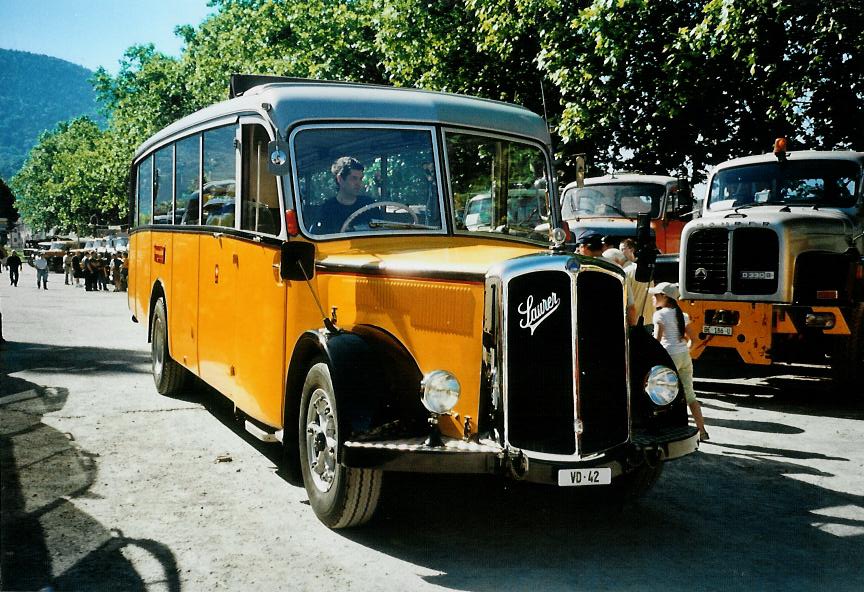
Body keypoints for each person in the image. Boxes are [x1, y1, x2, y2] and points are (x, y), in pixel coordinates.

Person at [649, 281, 709, 442]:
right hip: (683, 356)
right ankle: (702, 430)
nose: (653, 298)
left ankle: (660, 429)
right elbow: (695, 340)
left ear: (664, 297)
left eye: (656, 295)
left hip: (669, 357)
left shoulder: (659, 315)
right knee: (690, 395)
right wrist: (685, 351)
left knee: (660, 393)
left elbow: (657, 342)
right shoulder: (683, 315)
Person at [312, 156, 375, 234]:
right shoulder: (327, 209)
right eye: (354, 178)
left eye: (360, 179)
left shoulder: (369, 205)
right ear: (340, 179)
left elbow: (380, 230)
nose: (358, 183)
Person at [620, 237, 655, 332]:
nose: (621, 252)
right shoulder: (647, 270)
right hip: (650, 318)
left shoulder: (625, 272)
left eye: (623, 249)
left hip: (634, 321)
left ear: (632, 250)